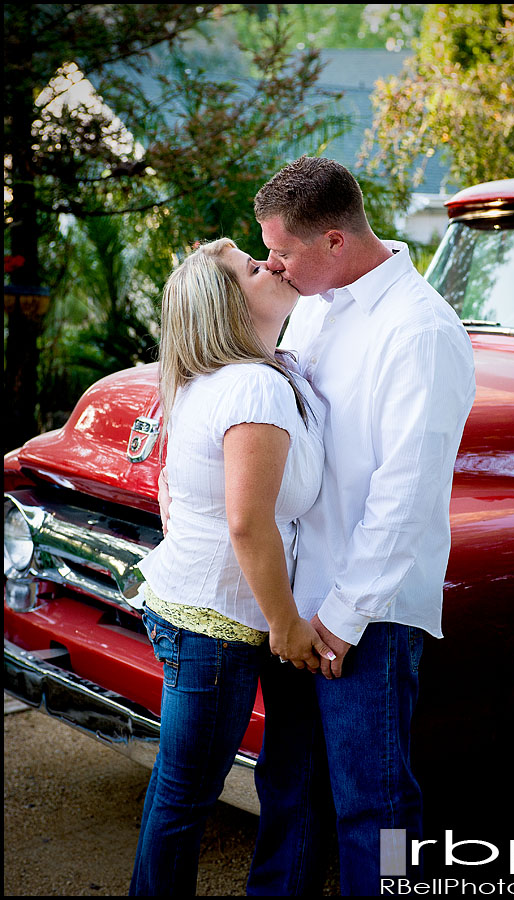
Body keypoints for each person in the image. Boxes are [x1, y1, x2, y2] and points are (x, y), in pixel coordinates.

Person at [244, 157, 477, 895]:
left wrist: (340, 621)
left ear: (336, 241)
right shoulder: (314, 303)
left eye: (282, 252)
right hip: (296, 608)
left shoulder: (421, 331)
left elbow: (405, 494)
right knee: (286, 797)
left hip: (364, 620)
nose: (273, 265)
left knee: (371, 814)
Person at [129, 237, 333, 897]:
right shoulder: (251, 386)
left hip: (193, 611)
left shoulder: (218, 378)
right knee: (186, 798)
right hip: (214, 627)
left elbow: (179, 494)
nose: (271, 263)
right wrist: (287, 624)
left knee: (178, 791)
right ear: (227, 307)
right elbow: (247, 520)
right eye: (252, 266)